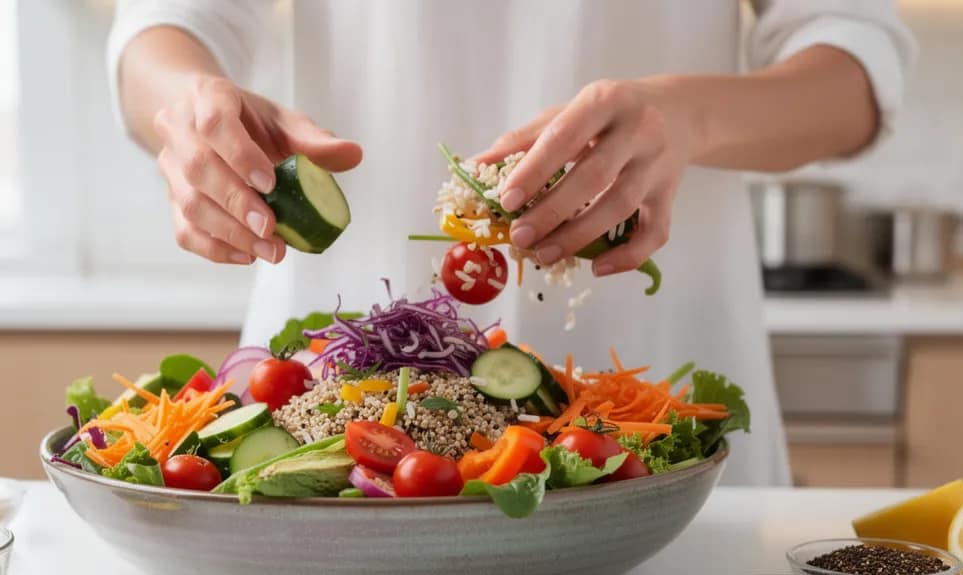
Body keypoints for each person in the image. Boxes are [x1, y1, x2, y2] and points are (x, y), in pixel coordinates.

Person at [107, 1, 915, 485]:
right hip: (338, 395)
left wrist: (692, 115)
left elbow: (857, 63)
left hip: (652, 390)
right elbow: (161, 30)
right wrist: (187, 107)